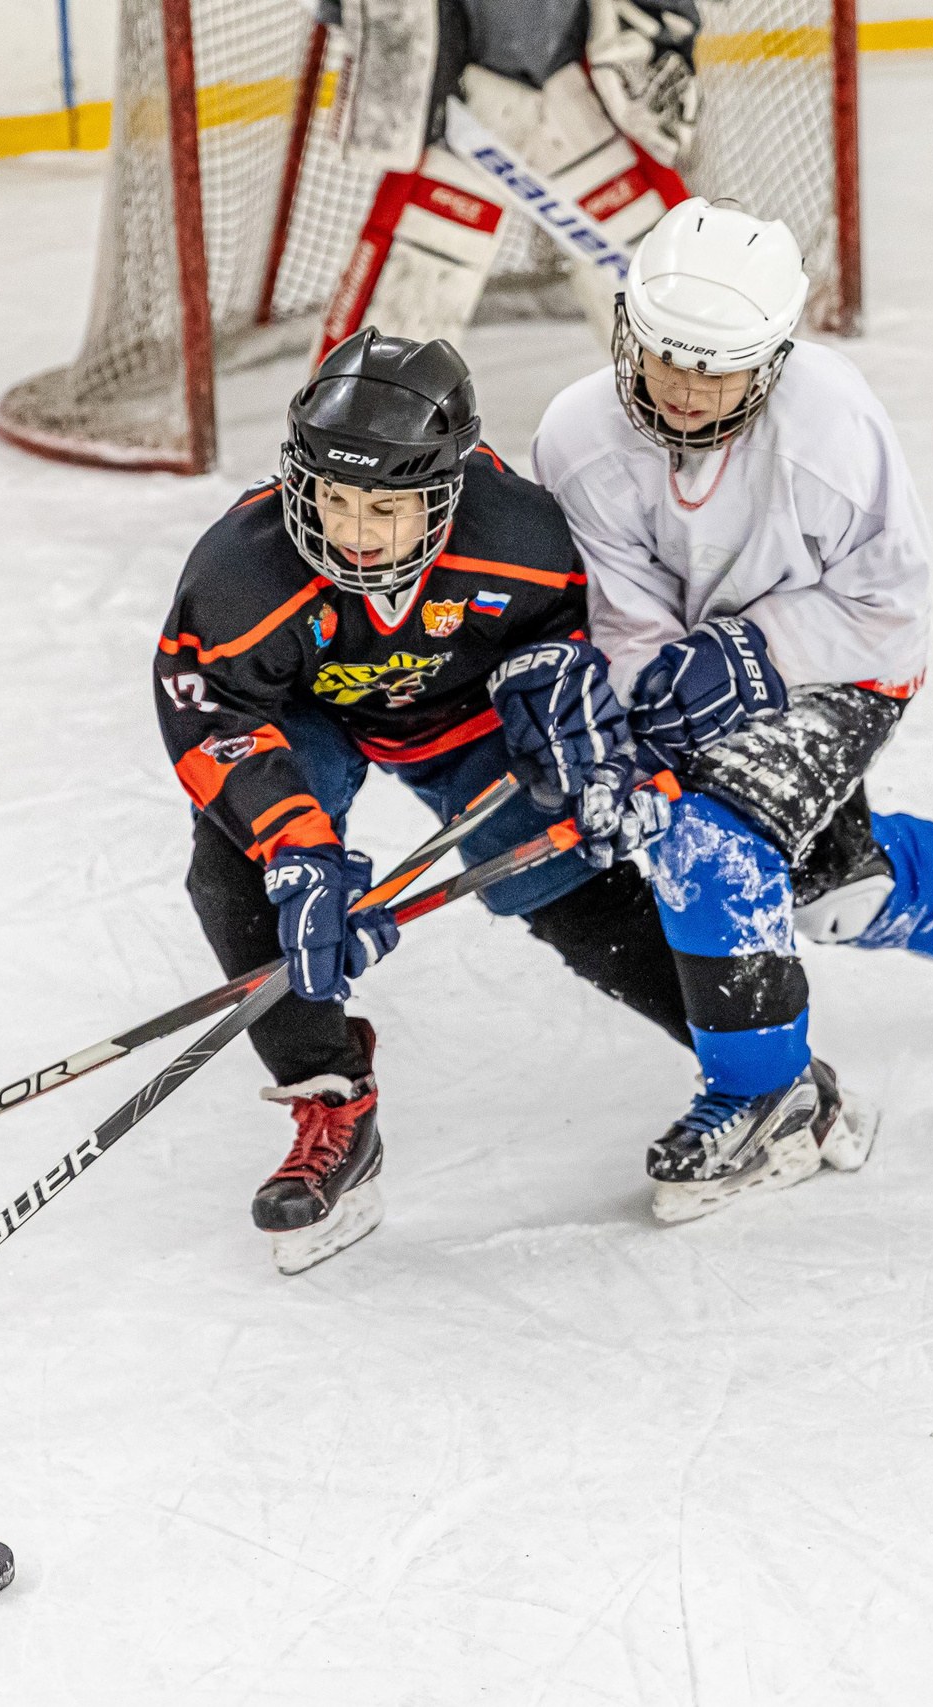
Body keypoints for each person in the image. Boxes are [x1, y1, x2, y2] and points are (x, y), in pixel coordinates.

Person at [528, 198, 933, 1223]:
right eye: (665, 356)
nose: (685, 390)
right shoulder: (576, 434)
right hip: (683, 671)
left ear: (772, 360)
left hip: (840, 670)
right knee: (828, 892)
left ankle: (761, 1096)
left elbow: (890, 615)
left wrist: (757, 651)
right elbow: (618, 607)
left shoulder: (832, 427)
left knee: (704, 843)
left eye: (718, 367)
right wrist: (646, 704)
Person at [154, 327, 690, 1274]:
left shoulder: (525, 535)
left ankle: (741, 1055)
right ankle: (335, 1106)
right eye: (335, 497)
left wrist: (567, 694)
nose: (354, 528)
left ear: (446, 493)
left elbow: (601, 630)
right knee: (243, 872)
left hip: (470, 716)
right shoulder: (241, 567)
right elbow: (215, 718)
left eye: (386, 507)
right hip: (311, 721)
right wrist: (296, 850)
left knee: (567, 879)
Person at [313, 0, 702, 359]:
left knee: (684, 318)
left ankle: (705, 426)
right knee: (385, 346)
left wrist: (664, 31)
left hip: (575, 96)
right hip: (460, 104)